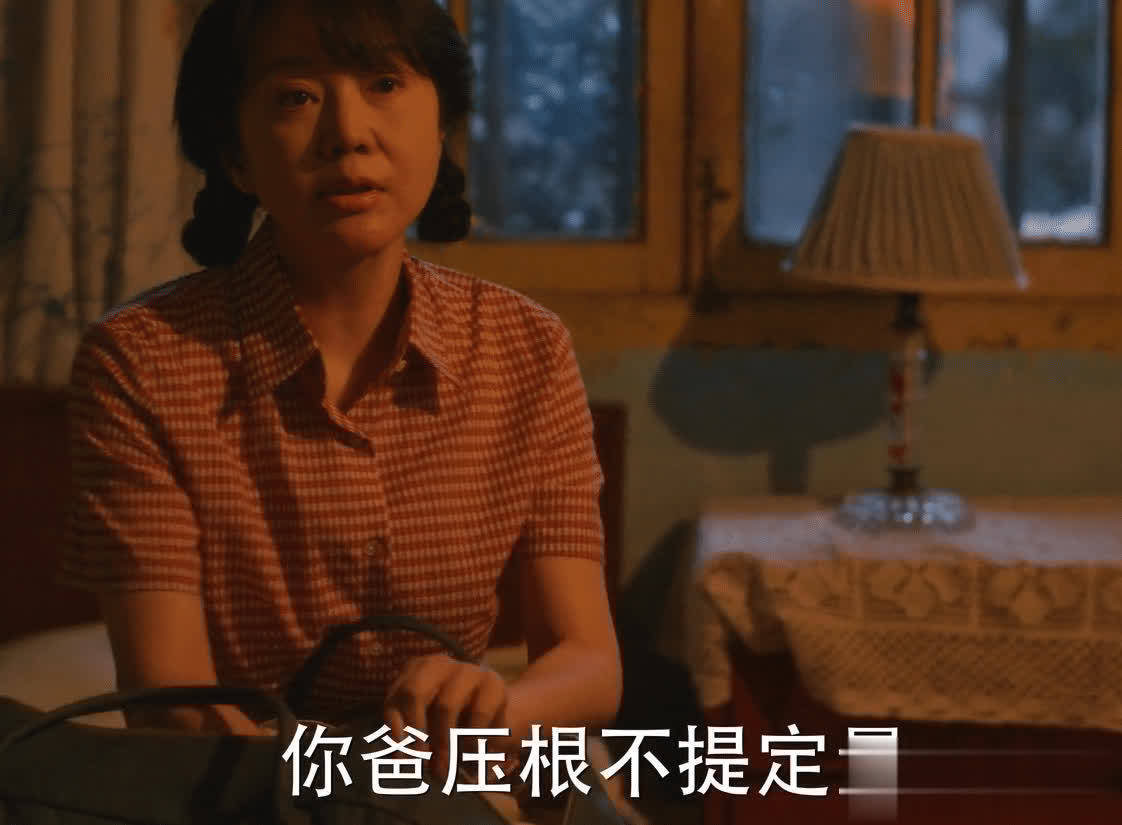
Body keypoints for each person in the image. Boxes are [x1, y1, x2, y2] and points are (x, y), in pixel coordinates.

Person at [59, 0, 622, 782]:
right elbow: (170, 700)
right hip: (247, 787)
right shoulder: (142, 362)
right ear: (235, 155)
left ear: (441, 125)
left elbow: (588, 661)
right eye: (296, 95)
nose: (348, 133)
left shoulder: (525, 348)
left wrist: (494, 708)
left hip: (454, 773)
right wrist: (345, 784)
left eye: (384, 83)